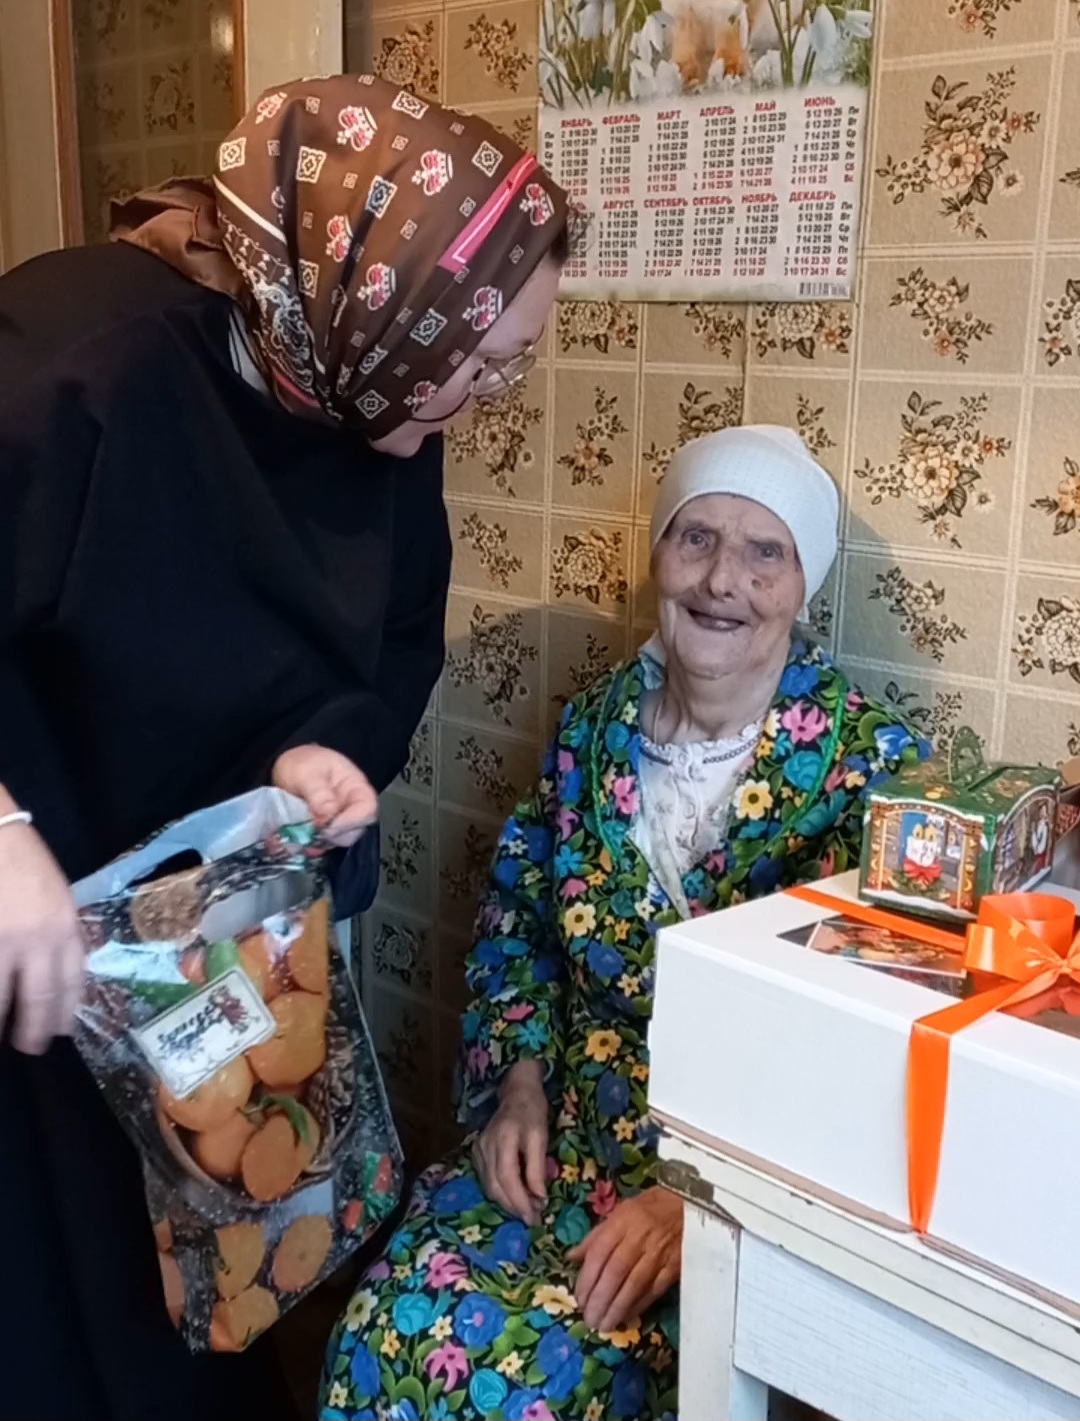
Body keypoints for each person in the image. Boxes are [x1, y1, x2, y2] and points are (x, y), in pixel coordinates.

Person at [0, 74, 569, 1421]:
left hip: (192, 941)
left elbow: (382, 646)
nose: (487, 396)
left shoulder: (376, 385)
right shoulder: (75, 359)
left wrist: (322, 761)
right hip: (30, 925)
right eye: (482, 361)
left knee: (204, 1279)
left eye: (508, 364)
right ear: (388, 300)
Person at [321, 424, 931, 1421]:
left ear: (803, 584)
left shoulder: (875, 772)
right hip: (560, 1140)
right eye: (697, 538)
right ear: (658, 555)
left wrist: (702, 1199)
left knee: (534, 1386)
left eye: (764, 552)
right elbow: (519, 920)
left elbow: (867, 1049)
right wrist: (516, 1087)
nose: (723, 579)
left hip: (730, 1194)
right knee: (382, 1329)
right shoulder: (595, 727)